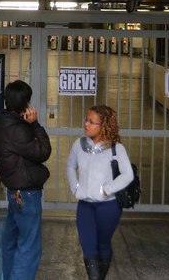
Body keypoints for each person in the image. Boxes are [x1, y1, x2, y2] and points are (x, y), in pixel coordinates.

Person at [0, 80, 52, 280]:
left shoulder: (1, 123)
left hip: (13, 190)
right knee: (29, 246)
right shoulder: (20, 129)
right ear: (26, 103)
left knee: (12, 240)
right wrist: (35, 125)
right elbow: (43, 152)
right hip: (26, 192)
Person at [66, 104, 133, 280]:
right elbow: (70, 166)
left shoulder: (116, 149)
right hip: (85, 206)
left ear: (104, 126)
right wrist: (75, 187)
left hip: (108, 207)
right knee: (88, 247)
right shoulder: (79, 145)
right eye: (86, 120)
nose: (86, 124)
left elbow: (128, 175)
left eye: (92, 122)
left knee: (103, 245)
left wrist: (108, 189)